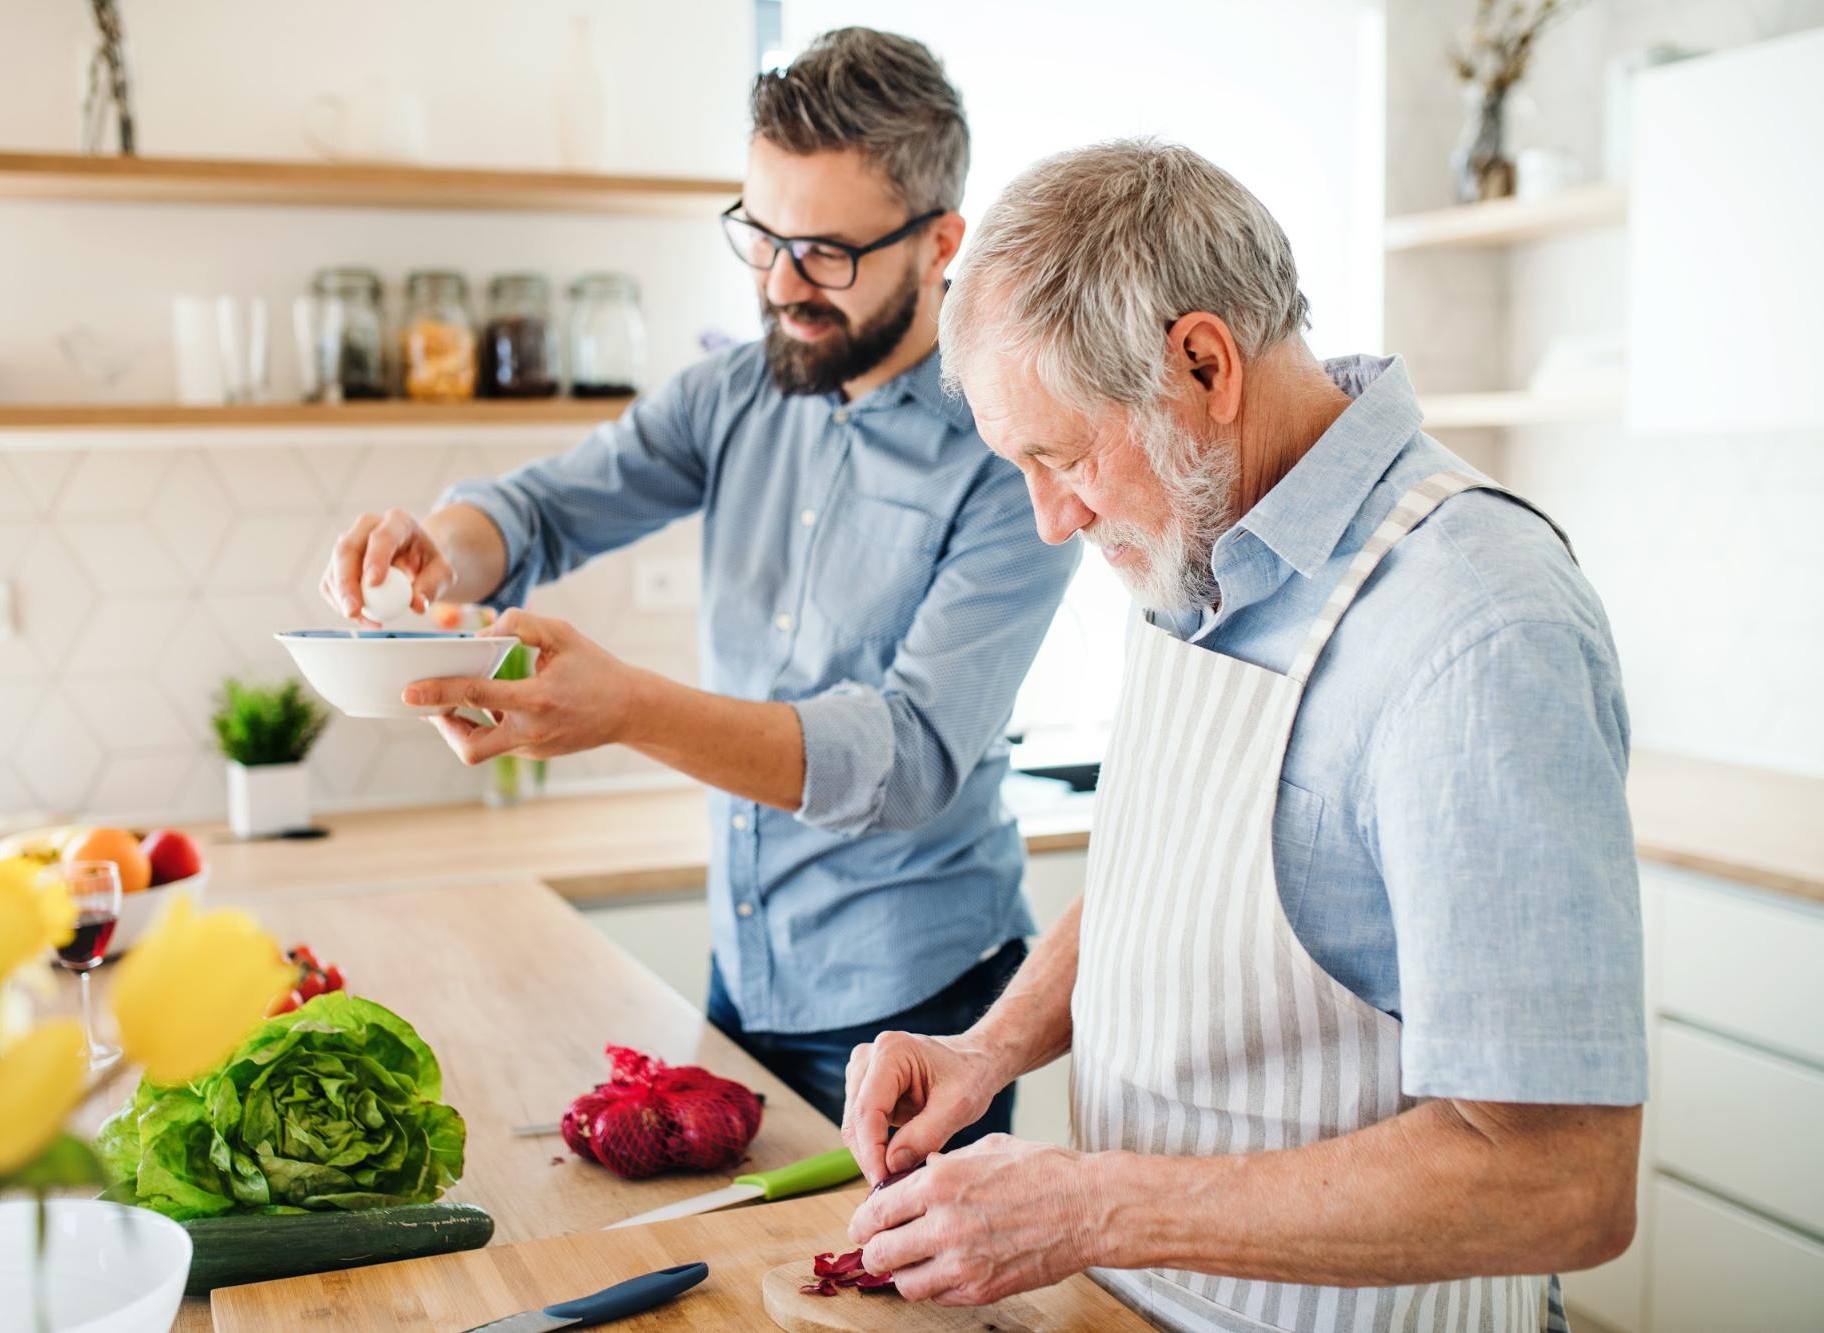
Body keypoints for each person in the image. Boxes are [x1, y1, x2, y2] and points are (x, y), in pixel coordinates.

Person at [840, 140, 1643, 1332]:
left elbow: (1560, 1179)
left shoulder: (1474, 628)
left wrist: (1090, 1209)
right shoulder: (1200, 530)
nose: (1051, 518)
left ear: (1203, 363)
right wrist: (991, 1046)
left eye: (1060, 457)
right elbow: (1174, 868)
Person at [321, 29, 1079, 1140]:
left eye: (823, 251)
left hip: (927, 1010)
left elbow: (906, 757)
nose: (780, 284)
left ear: (939, 243)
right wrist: (437, 544)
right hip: (745, 981)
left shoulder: (1015, 449)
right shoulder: (738, 391)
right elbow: (544, 508)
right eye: (760, 235)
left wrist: (625, 708)